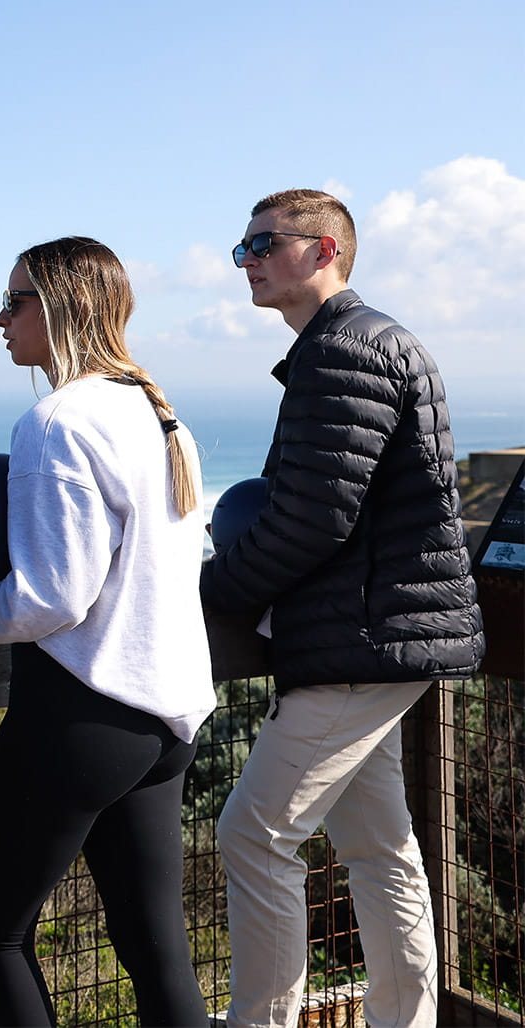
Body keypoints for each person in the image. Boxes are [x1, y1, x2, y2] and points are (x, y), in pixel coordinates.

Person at [200, 188, 484, 1028]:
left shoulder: (343, 352)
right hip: (382, 634)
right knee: (379, 846)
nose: (245, 260)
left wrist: (210, 593)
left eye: (262, 244)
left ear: (324, 252)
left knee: (254, 837)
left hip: (361, 637)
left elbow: (312, 518)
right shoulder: (369, 341)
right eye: (242, 247)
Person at [0, 236, 215, 1026]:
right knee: (155, 945)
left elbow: (53, 598)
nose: (0, 319)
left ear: (59, 308)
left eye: (14, 301)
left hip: (80, 713)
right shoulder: (158, 414)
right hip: (166, 719)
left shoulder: (56, 420)